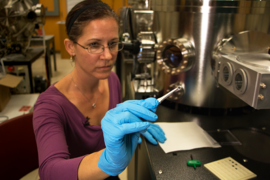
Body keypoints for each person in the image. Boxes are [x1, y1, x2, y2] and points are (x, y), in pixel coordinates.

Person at [33, 0, 166, 179]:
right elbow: (50, 172)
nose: (108, 55)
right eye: (94, 45)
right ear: (70, 47)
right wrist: (109, 160)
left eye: (113, 43)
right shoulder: (49, 106)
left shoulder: (112, 80)